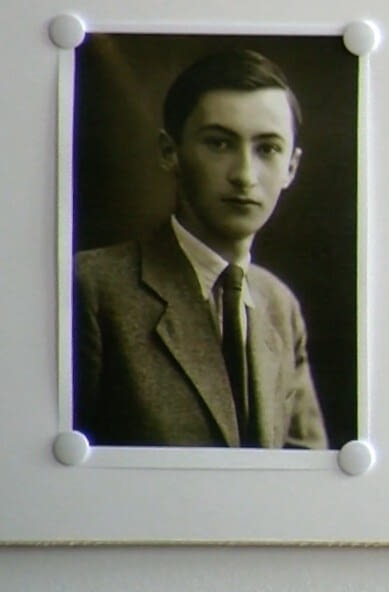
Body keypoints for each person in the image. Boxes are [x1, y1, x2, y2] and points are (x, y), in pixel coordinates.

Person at [73, 49, 328, 449]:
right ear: (170, 152)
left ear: (291, 168)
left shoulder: (280, 305)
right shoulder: (94, 288)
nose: (245, 175)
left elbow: (306, 467)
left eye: (267, 149)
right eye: (219, 144)